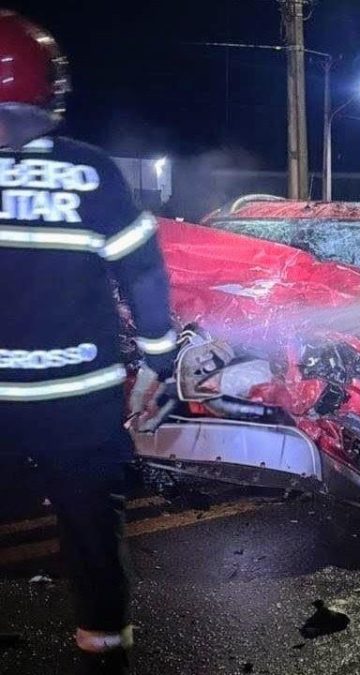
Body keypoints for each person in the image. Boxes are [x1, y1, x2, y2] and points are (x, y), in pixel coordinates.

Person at [0, 11, 176, 673]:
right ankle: (103, 655)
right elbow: (144, 273)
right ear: (50, 90)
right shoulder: (91, 172)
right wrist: (158, 359)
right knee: (93, 538)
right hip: (80, 405)